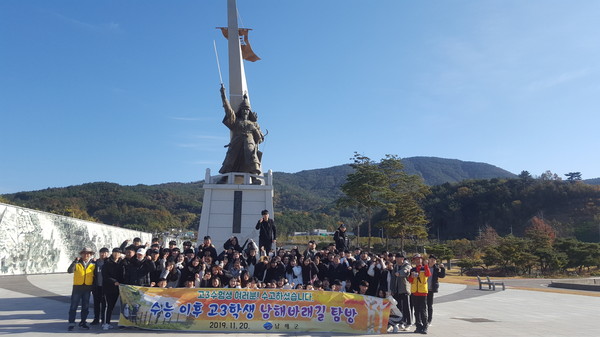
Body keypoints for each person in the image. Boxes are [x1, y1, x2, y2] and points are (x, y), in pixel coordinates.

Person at [218, 84, 265, 176]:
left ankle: (255, 177)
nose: (244, 111)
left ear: (249, 111)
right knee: (230, 159)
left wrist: (255, 131)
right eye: (243, 109)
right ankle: (224, 177)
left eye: (247, 110)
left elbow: (260, 138)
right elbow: (228, 111)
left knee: (252, 156)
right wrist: (223, 95)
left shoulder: (254, 124)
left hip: (249, 144)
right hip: (236, 143)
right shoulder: (236, 122)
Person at [67, 247, 96, 331]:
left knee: (85, 306)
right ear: (81, 254)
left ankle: (83, 322)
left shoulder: (93, 264)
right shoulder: (77, 263)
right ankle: (71, 322)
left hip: (87, 287)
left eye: (88, 253)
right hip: (77, 287)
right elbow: (69, 271)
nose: (86, 255)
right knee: (73, 306)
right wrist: (74, 261)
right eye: (84, 253)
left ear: (90, 255)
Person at [408, 254, 431, 334]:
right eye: (416, 259)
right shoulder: (413, 269)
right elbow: (410, 280)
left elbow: (428, 274)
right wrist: (411, 276)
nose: (418, 260)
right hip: (414, 292)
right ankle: (418, 326)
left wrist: (426, 265)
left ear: (421, 260)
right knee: (416, 311)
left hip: (422, 292)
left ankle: (425, 327)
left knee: (423, 310)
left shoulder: (424, 268)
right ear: (414, 261)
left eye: (419, 259)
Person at [102, 248, 123, 330]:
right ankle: (106, 323)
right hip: (109, 287)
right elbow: (105, 275)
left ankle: (123, 323)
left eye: (118, 253)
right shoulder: (107, 262)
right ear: (112, 253)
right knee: (109, 306)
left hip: (120, 287)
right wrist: (114, 281)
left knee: (123, 306)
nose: (116, 254)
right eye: (115, 253)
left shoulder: (122, 262)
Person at [390, 253, 412, 331]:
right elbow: (392, 278)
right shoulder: (395, 266)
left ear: (403, 258)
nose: (398, 259)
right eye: (397, 258)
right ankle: (401, 322)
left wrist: (399, 273)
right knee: (399, 307)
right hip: (396, 290)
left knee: (407, 307)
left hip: (404, 289)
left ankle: (409, 323)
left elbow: (406, 272)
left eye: (399, 258)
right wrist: (392, 290)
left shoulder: (407, 265)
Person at [91, 247, 110, 326]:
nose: (103, 254)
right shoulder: (95, 262)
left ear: (108, 254)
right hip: (96, 286)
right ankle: (96, 319)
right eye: (102, 252)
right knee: (96, 304)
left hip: (105, 287)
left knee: (104, 304)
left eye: (105, 253)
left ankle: (103, 319)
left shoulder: (109, 262)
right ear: (99, 253)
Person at [426, 254, 446, 326]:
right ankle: (422, 319)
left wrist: (443, 268)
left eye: (434, 260)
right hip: (423, 289)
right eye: (431, 259)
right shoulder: (424, 267)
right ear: (428, 260)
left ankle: (429, 320)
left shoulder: (436, 268)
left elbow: (442, 276)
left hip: (431, 289)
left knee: (429, 306)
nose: (432, 261)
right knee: (422, 306)